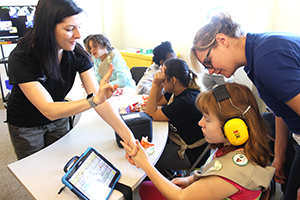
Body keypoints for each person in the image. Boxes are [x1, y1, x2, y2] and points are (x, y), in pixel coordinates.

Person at [6, 0, 137, 160]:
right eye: (69, 29)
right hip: (26, 123)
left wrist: (127, 135)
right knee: (35, 167)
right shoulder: (22, 56)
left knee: (62, 162)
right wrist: (94, 100)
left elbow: (99, 99)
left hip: (60, 117)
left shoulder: (77, 54)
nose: (79, 35)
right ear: (47, 28)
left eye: (79, 26)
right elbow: (48, 109)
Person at [190, 10, 300, 200]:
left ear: (222, 40)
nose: (211, 70)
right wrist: (279, 155)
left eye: (208, 62)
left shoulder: (267, 60)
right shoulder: (256, 58)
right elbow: (281, 109)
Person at [122, 83, 275, 200]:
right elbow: (213, 167)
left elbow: (182, 197)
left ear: (233, 128)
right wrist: (191, 179)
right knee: (147, 187)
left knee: (147, 189)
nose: (200, 123)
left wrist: (145, 164)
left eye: (207, 119)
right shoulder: (233, 148)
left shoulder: (233, 171)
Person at [145, 58, 208, 171]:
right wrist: (160, 83)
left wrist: (155, 83)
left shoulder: (185, 101)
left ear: (173, 80)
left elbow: (151, 113)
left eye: (163, 76)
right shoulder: (178, 91)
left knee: (148, 160)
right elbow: (158, 101)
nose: (160, 78)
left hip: (189, 153)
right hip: (176, 140)